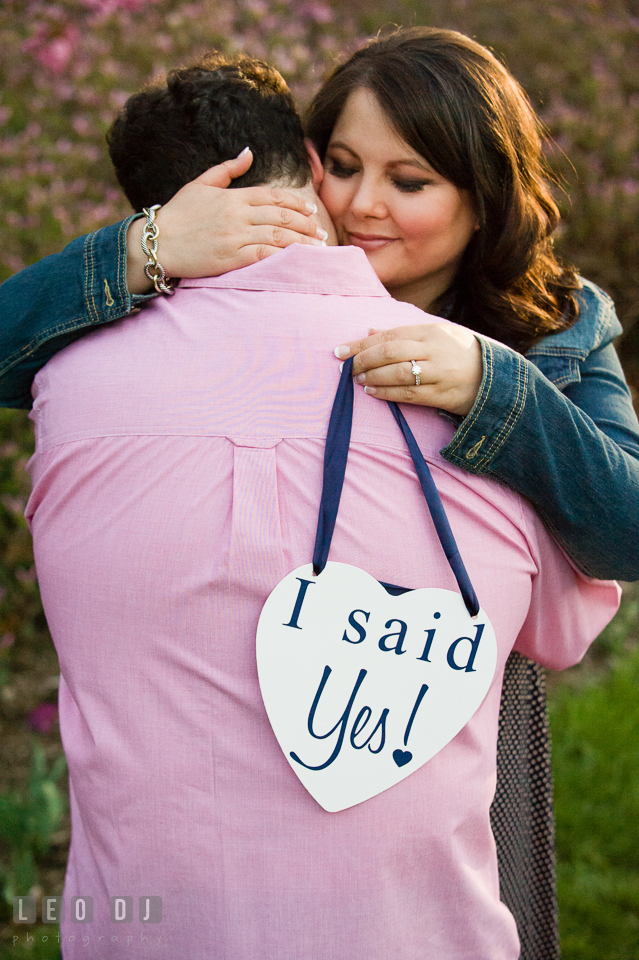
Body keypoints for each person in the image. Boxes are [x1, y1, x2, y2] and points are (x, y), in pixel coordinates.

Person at [1, 25, 638, 956]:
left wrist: (496, 389)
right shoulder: (201, 300)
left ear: (482, 196)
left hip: (444, 702)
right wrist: (146, 246)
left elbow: (623, 526)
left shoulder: (556, 328)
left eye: (410, 182)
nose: (363, 205)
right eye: (341, 165)